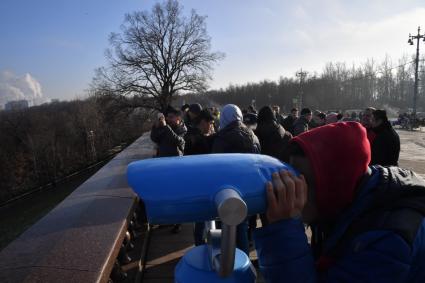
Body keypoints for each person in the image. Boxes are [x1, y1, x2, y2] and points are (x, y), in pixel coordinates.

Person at [254, 122, 425, 282]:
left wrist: (282, 231)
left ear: (334, 184)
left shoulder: (387, 241)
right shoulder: (360, 191)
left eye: (305, 181)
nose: (296, 189)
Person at [212, 104, 261, 255]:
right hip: (247, 189)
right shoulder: (253, 135)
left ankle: (226, 263)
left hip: (226, 191)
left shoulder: (222, 138)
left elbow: (216, 166)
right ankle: (244, 264)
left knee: (226, 227)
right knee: (242, 227)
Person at [150, 107, 187, 233]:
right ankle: (168, 220)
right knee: (166, 196)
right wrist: (155, 126)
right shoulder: (164, 127)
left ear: (179, 118)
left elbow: (177, 141)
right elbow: (154, 138)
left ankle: (178, 222)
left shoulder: (182, 129)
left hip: (176, 167)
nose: (168, 119)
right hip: (163, 165)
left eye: (171, 117)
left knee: (176, 196)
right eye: (168, 117)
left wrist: (166, 127)